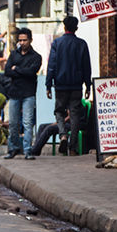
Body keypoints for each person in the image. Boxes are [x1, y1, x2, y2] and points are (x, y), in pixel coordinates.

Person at [46, 16, 92, 156]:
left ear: (64, 27)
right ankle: (72, 148)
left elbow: (51, 66)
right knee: (75, 114)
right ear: (76, 28)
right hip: (76, 86)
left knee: (59, 112)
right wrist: (88, 86)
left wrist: (48, 85)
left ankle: (63, 136)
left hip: (60, 85)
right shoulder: (82, 44)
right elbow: (86, 67)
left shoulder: (57, 43)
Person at [3, 28, 42, 160]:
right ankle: (12, 149)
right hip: (14, 93)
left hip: (28, 93)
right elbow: (7, 71)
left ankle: (27, 150)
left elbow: (32, 72)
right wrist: (21, 71)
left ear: (30, 40)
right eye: (20, 40)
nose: (22, 42)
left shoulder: (36, 57)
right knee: (13, 123)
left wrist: (17, 69)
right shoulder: (13, 54)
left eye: (25, 40)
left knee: (27, 123)